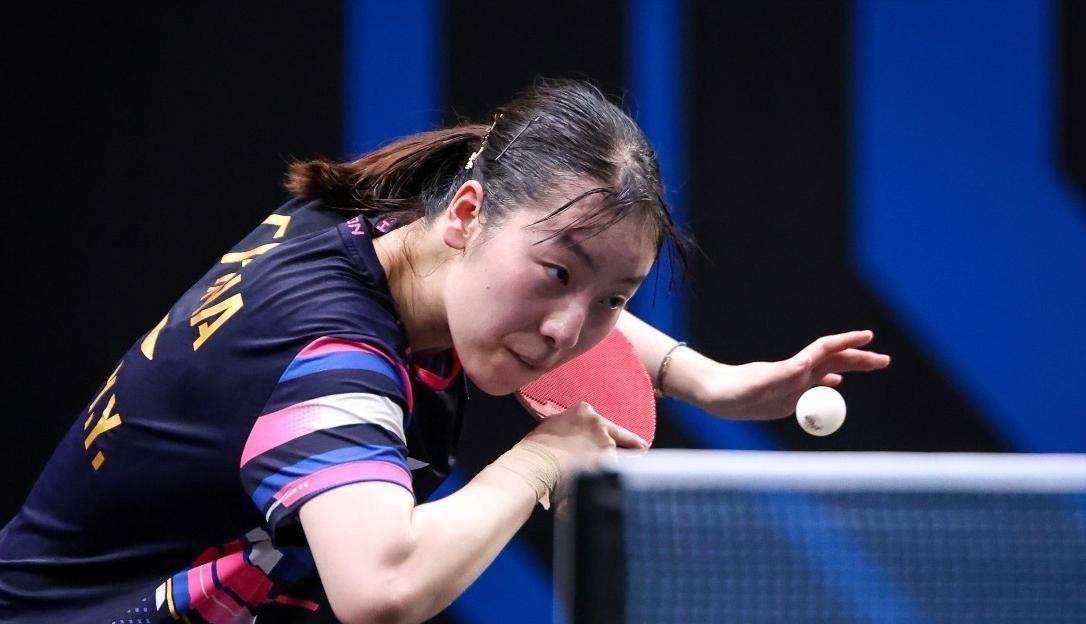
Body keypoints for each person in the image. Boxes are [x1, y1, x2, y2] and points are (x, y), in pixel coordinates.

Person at [0, 80, 889, 624]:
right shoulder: (333, 355)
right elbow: (382, 588)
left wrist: (712, 382)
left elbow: (573, 288)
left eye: (613, 299)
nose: (565, 330)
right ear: (468, 216)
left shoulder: (383, 225)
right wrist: (539, 462)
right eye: (555, 273)